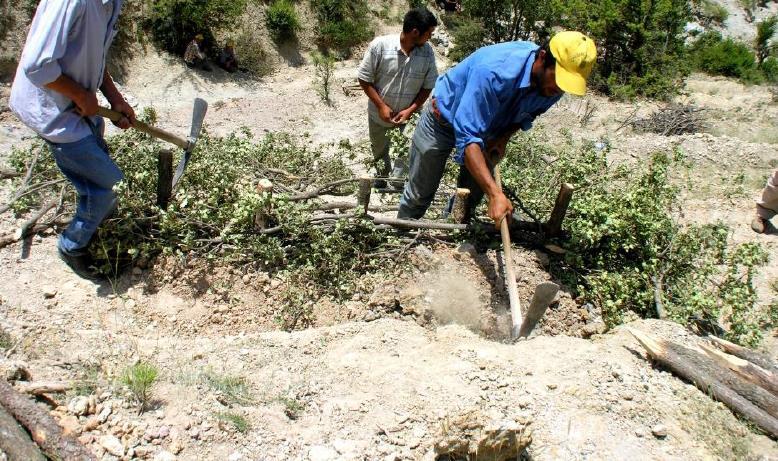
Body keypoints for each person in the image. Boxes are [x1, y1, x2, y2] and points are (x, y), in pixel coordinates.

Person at [397, 31, 597, 225]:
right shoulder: (494, 70)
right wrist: (495, 194)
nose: (560, 90)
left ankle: (449, 237)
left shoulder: (553, 87)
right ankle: (400, 235)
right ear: (543, 58)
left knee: (468, 200)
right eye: (559, 80)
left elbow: (529, 114)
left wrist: (503, 137)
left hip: (486, 132)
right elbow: (468, 137)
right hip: (441, 121)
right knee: (419, 194)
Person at [9, 0, 136, 279]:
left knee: (96, 166)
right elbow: (37, 65)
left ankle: (95, 221)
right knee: (110, 186)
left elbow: (94, 57)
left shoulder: (111, 3)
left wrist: (115, 99)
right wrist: (80, 94)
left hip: (80, 108)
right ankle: (73, 245)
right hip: (52, 109)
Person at [357, 7, 438, 190]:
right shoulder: (380, 46)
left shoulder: (427, 53)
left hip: (409, 117)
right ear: (415, 32)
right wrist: (381, 106)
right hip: (378, 115)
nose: (430, 38)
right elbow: (364, 78)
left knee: (407, 151)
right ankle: (381, 178)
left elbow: (428, 86)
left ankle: (397, 184)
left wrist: (410, 110)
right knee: (379, 150)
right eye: (429, 33)